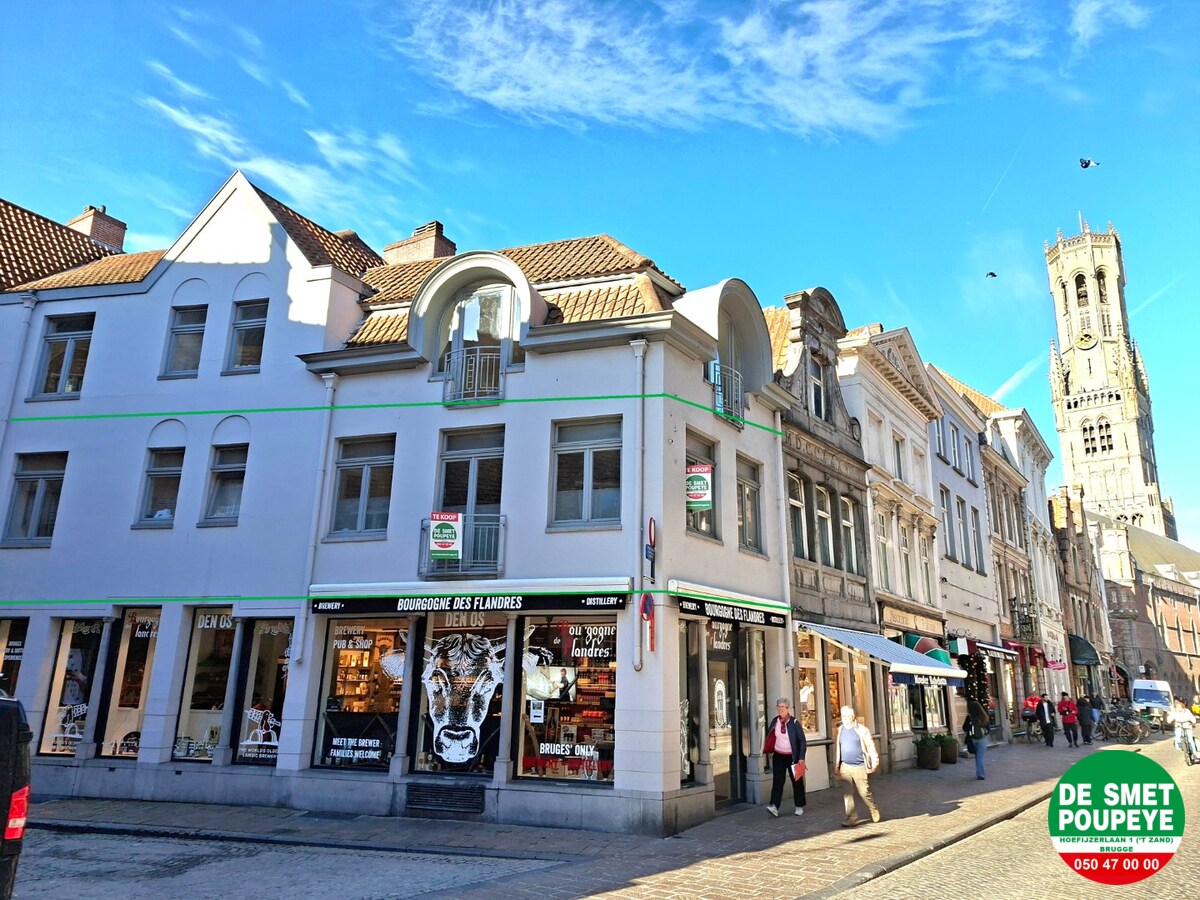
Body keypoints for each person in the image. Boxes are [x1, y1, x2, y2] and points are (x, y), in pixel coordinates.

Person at [833, 705, 880, 826]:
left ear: (853, 716)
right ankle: (851, 817)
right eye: (843, 716)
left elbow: (870, 746)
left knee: (864, 791)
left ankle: (873, 807)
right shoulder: (840, 730)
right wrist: (837, 766)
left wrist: (874, 761)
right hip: (845, 766)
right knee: (848, 793)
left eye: (848, 716)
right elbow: (838, 748)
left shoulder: (862, 730)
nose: (845, 718)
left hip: (859, 765)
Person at [762, 698, 807, 817]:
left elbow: (802, 740)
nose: (781, 708)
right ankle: (774, 806)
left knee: (797, 782)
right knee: (778, 781)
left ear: (788, 709)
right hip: (779, 755)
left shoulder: (794, 722)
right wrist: (770, 750)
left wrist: (801, 757)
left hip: (793, 757)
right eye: (779, 706)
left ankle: (799, 806)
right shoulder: (775, 721)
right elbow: (770, 736)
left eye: (783, 706)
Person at [965, 700, 990, 780]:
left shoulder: (969, 717)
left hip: (972, 738)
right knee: (980, 757)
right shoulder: (983, 716)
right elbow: (988, 728)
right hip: (982, 739)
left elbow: (964, 727)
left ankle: (979, 772)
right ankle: (980, 774)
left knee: (977, 756)